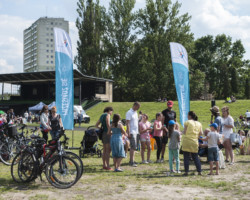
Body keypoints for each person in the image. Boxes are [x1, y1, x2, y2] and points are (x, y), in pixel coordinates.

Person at [182, 111, 203, 176]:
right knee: (195, 157)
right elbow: (201, 133)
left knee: (186, 157)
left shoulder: (187, 122)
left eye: (188, 115)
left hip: (187, 141)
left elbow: (185, 132)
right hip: (194, 141)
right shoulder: (199, 123)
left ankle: (186, 172)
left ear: (190, 116)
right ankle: (199, 171)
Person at [126, 102, 140, 167]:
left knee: (135, 147)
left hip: (136, 132)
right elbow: (128, 123)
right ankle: (131, 161)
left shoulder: (135, 112)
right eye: (137, 107)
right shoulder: (129, 112)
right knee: (133, 146)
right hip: (132, 132)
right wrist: (128, 132)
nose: (138, 108)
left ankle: (132, 160)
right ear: (134, 105)